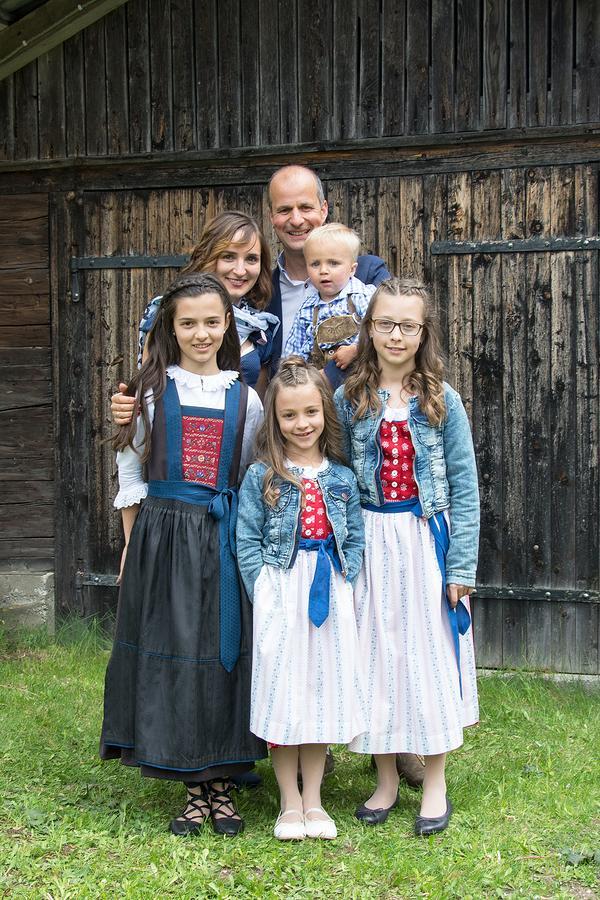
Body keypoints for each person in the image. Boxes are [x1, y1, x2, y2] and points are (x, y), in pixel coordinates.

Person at [100, 273, 267, 836]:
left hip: (220, 535)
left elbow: (249, 474)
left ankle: (221, 782)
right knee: (176, 648)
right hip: (164, 536)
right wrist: (130, 544)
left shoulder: (247, 398)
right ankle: (196, 787)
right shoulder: (150, 394)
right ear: (171, 329)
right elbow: (131, 470)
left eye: (211, 322)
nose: (201, 333)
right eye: (188, 323)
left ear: (228, 328)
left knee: (222, 653)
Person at [333, 277, 480, 835]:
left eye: (408, 326)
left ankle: (435, 778)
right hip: (371, 541)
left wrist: (461, 566)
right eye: (385, 323)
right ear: (370, 329)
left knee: (426, 652)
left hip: (425, 541)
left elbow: (464, 487)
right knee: (376, 653)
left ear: (424, 333)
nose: (396, 335)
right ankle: (388, 777)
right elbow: (340, 478)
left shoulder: (443, 400)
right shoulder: (350, 399)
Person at [236, 357, 366, 840]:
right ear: (275, 420)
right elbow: (246, 539)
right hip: (282, 590)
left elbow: (353, 539)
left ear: (324, 413)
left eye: (310, 412)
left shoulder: (343, 479)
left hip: (329, 591)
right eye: (289, 416)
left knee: (320, 691)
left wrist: (348, 579)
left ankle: (315, 800)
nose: (301, 424)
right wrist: (263, 590)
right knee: (284, 690)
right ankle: (289, 803)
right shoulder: (263, 476)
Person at [111, 212, 277, 427]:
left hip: (237, 446)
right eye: (228, 256)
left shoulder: (260, 329)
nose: (240, 270)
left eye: (251, 259)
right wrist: (127, 406)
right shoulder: (168, 312)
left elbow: (258, 408)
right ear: (208, 256)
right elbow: (148, 387)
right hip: (175, 440)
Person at [267, 165, 390, 364]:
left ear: (323, 210)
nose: (296, 220)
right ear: (271, 216)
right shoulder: (262, 292)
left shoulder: (369, 275)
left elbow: (394, 337)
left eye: (306, 207)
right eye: (284, 210)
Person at [283, 223, 376, 387]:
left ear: (352, 269)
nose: (323, 270)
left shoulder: (361, 296)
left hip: (361, 382)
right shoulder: (307, 309)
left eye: (333, 263)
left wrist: (356, 350)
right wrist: (294, 374)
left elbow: (379, 332)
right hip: (321, 388)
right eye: (315, 264)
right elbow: (293, 351)